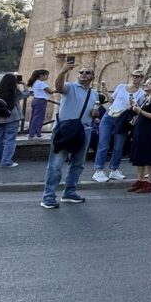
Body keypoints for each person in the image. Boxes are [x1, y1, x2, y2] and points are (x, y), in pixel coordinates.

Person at [40, 66, 99, 208]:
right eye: (81, 72)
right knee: (56, 164)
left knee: (78, 164)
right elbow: (58, 87)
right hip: (65, 130)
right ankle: (48, 196)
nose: (83, 74)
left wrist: (94, 115)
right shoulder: (70, 87)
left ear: (92, 77)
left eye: (87, 72)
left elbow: (92, 112)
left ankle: (69, 192)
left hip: (84, 130)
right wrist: (63, 71)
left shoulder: (94, 94)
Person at [92, 68, 146, 182]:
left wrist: (133, 108)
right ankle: (99, 170)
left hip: (123, 119)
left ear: (142, 79)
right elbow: (112, 100)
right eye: (133, 75)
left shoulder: (142, 94)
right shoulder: (121, 86)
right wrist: (106, 92)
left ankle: (114, 169)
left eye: (138, 76)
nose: (135, 78)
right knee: (103, 143)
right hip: (109, 115)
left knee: (118, 146)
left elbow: (137, 110)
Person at [0, 73, 30, 168]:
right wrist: (24, 84)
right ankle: (6, 162)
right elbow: (26, 94)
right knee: (9, 140)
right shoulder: (14, 91)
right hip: (11, 118)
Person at [128, 77, 151, 193]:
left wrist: (140, 111)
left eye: (148, 83)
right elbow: (140, 113)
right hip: (140, 128)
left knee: (148, 156)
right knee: (139, 154)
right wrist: (133, 108)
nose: (145, 84)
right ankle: (140, 180)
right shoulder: (145, 98)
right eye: (145, 83)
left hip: (148, 130)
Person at [26, 69, 53, 138]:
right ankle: (35, 133)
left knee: (34, 117)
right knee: (39, 117)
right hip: (41, 101)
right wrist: (58, 90)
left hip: (35, 100)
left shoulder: (35, 82)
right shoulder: (42, 83)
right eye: (47, 75)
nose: (48, 77)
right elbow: (50, 91)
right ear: (41, 75)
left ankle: (32, 132)